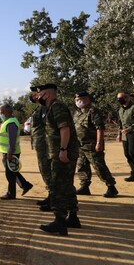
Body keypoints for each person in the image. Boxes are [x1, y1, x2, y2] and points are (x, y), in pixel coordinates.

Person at [35, 84, 80, 236]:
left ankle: (60, 222)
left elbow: (64, 129)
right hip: (60, 152)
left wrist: (63, 150)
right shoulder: (51, 108)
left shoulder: (57, 107)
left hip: (62, 153)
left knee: (58, 186)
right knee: (66, 185)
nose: (38, 96)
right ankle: (73, 217)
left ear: (46, 95)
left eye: (39, 93)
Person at [74, 91, 118, 197]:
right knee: (81, 166)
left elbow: (100, 128)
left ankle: (111, 187)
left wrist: (99, 143)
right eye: (77, 100)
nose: (79, 101)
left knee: (99, 166)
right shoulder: (77, 113)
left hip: (91, 144)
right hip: (80, 145)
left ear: (88, 99)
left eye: (82, 99)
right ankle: (85, 186)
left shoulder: (93, 111)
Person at [0, 104, 33, 200]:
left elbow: (11, 140)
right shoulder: (8, 120)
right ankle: (25, 185)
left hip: (11, 152)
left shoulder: (11, 123)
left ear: (6, 112)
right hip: (8, 151)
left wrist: (10, 152)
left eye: (1, 112)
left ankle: (11, 193)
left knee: (10, 174)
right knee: (12, 171)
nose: (0, 114)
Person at [28, 89, 52, 210]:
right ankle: (51, 195)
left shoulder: (45, 108)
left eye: (36, 93)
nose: (33, 96)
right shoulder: (39, 108)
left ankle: (53, 198)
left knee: (47, 170)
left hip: (45, 144)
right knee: (44, 169)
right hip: (40, 144)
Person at [116, 92, 134, 182]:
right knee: (127, 154)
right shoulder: (120, 109)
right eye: (118, 98)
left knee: (133, 153)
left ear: (127, 98)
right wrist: (119, 134)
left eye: (121, 98)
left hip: (133, 133)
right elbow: (120, 123)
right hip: (124, 134)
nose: (119, 100)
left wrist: (130, 128)